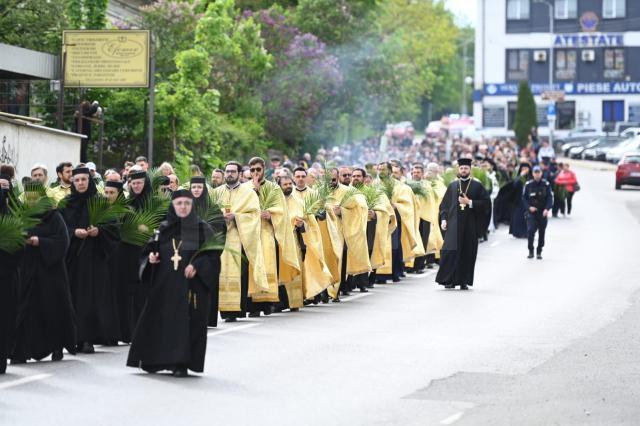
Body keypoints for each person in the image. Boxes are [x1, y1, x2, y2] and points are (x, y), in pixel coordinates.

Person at [127, 189, 222, 377]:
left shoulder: (200, 228)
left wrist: (197, 265)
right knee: (160, 322)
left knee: (183, 325)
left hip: (189, 288)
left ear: (192, 205)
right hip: (164, 286)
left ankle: (180, 363)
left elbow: (213, 254)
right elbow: (149, 252)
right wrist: (151, 258)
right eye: (179, 203)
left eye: (187, 203)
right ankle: (154, 360)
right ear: (173, 205)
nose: (183, 207)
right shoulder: (163, 228)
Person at [12, 183, 77, 364]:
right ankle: (21, 350)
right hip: (28, 271)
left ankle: (56, 346)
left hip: (50, 273)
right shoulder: (22, 216)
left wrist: (39, 241)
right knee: (25, 310)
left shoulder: (54, 216)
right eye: (29, 197)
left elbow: (63, 241)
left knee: (52, 309)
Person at [60, 167, 120, 353]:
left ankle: (87, 339)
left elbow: (113, 229)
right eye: (77, 180)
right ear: (72, 182)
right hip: (72, 259)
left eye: (84, 180)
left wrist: (99, 232)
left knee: (91, 299)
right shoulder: (65, 204)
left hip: (94, 259)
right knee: (72, 297)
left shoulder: (100, 203)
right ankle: (71, 338)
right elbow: (58, 230)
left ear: (89, 181)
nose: (80, 183)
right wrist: (73, 233)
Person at [214, 161, 268, 322]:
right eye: (227, 171)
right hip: (221, 239)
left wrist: (236, 216)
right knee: (221, 273)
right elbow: (208, 213)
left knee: (240, 274)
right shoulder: (216, 193)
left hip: (240, 239)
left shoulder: (249, 193)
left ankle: (237, 310)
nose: (229, 174)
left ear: (239, 173)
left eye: (233, 171)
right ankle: (224, 310)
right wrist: (219, 217)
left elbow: (254, 215)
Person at [436, 158, 491, 290]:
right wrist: (443, 219)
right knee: (449, 252)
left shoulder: (477, 186)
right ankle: (448, 280)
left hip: (469, 226)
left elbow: (486, 204)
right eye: (461, 168)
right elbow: (444, 205)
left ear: (470, 170)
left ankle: (463, 281)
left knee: (467, 253)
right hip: (453, 226)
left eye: (466, 168)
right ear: (458, 170)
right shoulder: (453, 186)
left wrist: (470, 202)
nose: (464, 170)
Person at [523, 165, 553, 259]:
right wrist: (529, 207)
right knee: (530, 230)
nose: (537, 174)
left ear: (541, 173)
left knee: (541, 232)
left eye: (538, 172)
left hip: (542, 212)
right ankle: (530, 250)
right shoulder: (528, 185)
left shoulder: (546, 184)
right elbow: (524, 198)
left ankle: (539, 251)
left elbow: (550, 198)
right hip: (532, 212)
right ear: (532, 174)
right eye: (535, 172)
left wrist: (547, 209)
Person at [509, 162, 532, 239]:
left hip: (529, 201)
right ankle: (517, 232)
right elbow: (514, 185)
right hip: (518, 200)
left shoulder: (531, 177)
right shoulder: (518, 177)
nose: (525, 170)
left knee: (528, 217)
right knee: (518, 216)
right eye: (523, 168)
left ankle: (527, 232)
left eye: (526, 168)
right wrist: (521, 176)